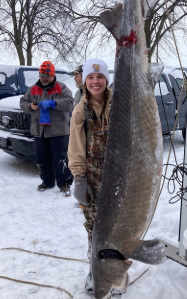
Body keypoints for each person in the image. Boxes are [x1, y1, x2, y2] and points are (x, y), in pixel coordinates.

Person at [68, 58, 113, 291]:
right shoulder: (80, 110)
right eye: (91, 77)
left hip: (119, 178)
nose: (96, 82)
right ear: (85, 81)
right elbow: (76, 148)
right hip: (93, 179)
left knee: (117, 227)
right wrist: (79, 179)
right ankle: (94, 271)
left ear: (106, 79)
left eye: (100, 77)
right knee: (94, 228)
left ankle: (114, 271)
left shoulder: (120, 105)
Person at [20, 61, 75, 195]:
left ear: (53, 75)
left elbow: (69, 104)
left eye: (46, 76)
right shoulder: (33, 88)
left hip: (58, 131)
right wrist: (30, 106)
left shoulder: (62, 88)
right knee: (42, 158)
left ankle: (64, 183)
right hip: (39, 130)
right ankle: (47, 182)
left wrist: (53, 103)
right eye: (41, 75)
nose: (43, 78)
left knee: (60, 158)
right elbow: (23, 102)